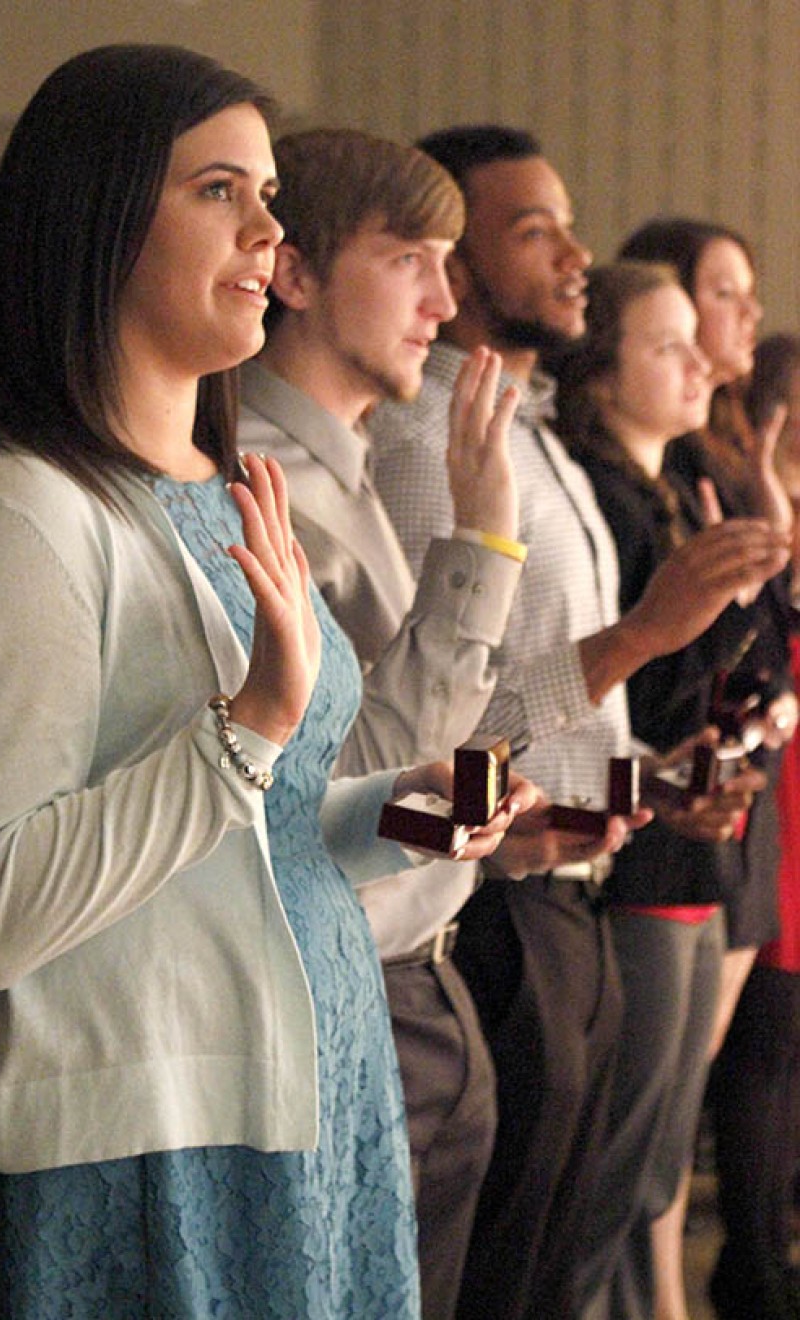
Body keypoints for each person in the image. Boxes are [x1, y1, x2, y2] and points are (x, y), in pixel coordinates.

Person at [0, 44, 468, 1317]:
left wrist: (410, 814)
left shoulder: (218, 492)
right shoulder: (15, 513)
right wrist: (254, 718)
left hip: (309, 1089)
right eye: (221, 191)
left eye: (268, 194)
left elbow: (252, 828)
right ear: (95, 218)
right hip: (139, 1139)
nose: (270, 229)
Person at [369, 125, 790, 1320]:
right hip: (487, 903)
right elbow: (429, 739)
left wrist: (649, 787)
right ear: (445, 270)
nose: (574, 254)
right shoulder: (419, 445)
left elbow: (558, 727)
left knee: (579, 1231)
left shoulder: (527, 433)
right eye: (533, 229)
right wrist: (650, 634)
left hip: (568, 874)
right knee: (517, 1264)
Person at [236, 126, 539, 1318]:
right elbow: (346, 775)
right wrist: (484, 544)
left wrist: (494, 804)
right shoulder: (255, 478)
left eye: (449, 261)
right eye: (410, 255)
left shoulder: (348, 462)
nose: (443, 298)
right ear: (298, 274)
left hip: (430, 958)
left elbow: (431, 750)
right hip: (355, 974)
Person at [550, 260, 769, 1320]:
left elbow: (728, 679)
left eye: (698, 338)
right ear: (600, 375)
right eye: (664, 344)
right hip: (614, 845)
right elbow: (620, 692)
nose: (696, 363)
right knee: (612, 1169)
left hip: (680, 826)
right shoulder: (597, 493)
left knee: (656, 1156)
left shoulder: (680, 490)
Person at [620, 217, 797, 1320]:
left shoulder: (723, 454)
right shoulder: (678, 464)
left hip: (737, 781)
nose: (741, 316)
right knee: (662, 1118)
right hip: (658, 807)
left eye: (740, 296)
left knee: (694, 1086)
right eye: (718, 294)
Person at [706, 331, 800, 1320]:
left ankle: (768, 1251)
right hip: (771, 788)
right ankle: (754, 1263)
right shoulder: (744, 499)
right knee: (766, 1045)